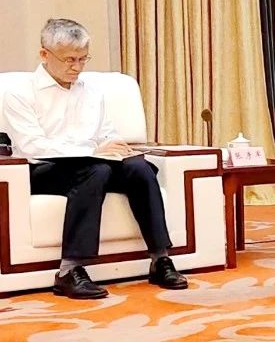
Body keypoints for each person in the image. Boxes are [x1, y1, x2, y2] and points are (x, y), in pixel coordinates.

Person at [1, 19, 187, 299]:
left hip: (94, 164)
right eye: (69, 60)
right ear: (44, 55)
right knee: (95, 170)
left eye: (83, 59)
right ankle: (69, 271)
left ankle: (160, 260)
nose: (77, 67)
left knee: (138, 168)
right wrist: (92, 151)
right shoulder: (18, 93)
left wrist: (117, 147)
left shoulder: (90, 91)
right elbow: (33, 146)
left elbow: (105, 134)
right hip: (42, 170)